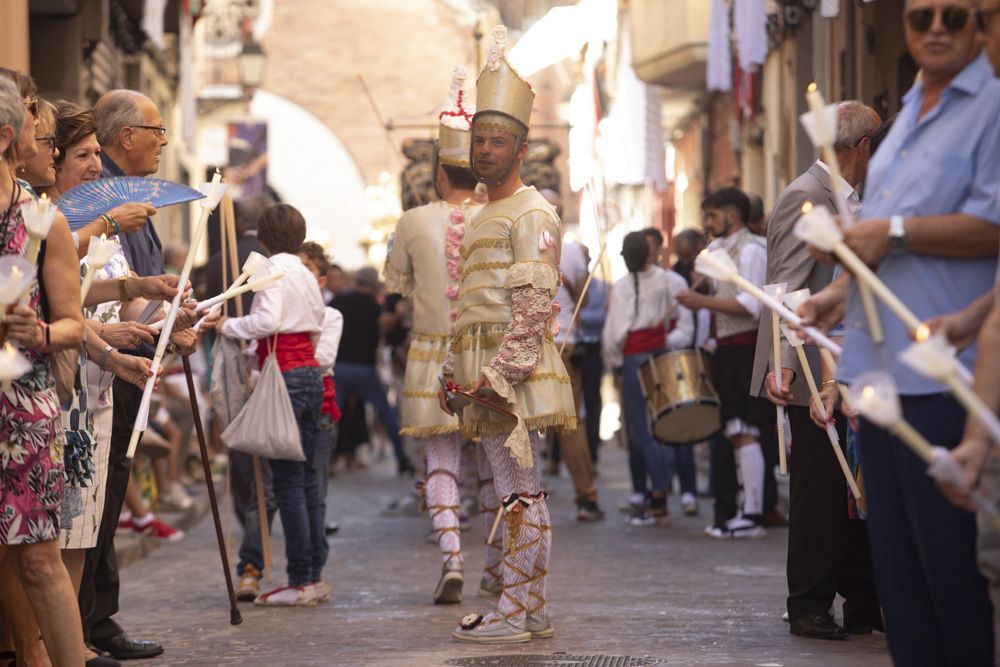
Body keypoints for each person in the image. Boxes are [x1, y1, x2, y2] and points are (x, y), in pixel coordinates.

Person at [797, 1, 1000, 662]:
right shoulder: (908, 111)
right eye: (920, 18)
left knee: (954, 584)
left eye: (954, 15)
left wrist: (897, 233)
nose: (936, 28)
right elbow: (879, 245)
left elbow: (992, 227)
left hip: (948, 374)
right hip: (876, 376)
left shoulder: (991, 107)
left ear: (979, 25)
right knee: (901, 590)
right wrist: (837, 293)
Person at [441, 25, 575, 644]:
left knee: (520, 492)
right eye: (479, 140)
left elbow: (533, 304)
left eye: (497, 141)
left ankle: (517, 611)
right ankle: (531, 606)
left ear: (520, 147)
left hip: (508, 374)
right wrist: (456, 371)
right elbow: (469, 302)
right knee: (511, 490)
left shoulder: (532, 210)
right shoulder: (479, 212)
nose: (485, 151)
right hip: (480, 370)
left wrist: (500, 377)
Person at [750, 101, 882, 640]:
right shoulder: (807, 195)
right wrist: (782, 366)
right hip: (813, 367)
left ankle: (863, 601)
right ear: (863, 148)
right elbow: (785, 284)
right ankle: (808, 602)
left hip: (854, 363)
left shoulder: (852, 198)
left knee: (855, 494)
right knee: (820, 494)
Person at [82, 89, 198, 661]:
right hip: (95, 370)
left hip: (130, 364)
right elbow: (99, 292)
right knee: (95, 502)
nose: (163, 143)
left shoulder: (136, 200)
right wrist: (155, 315)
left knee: (113, 490)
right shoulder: (101, 202)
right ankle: (87, 624)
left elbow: (138, 293)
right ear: (126, 136)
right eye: (157, 131)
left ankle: (99, 619)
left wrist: (174, 323)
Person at [383, 67, 484, 604]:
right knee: (496, 461)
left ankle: (452, 556)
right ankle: (500, 566)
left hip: (430, 354)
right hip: (491, 355)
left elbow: (398, 284)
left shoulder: (412, 221)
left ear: (441, 175)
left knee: (441, 460)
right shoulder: (500, 216)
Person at [0, 73, 87, 667]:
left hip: (21, 406)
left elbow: (74, 323)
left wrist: (45, 332)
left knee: (37, 560)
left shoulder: (43, 221)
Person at [219, 203, 327, 606]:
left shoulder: (270, 269)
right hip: (310, 374)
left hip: (284, 375)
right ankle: (312, 576)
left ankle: (300, 580)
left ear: (263, 235)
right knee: (306, 480)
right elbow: (314, 323)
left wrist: (228, 326)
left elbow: (266, 323)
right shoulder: (304, 271)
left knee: (287, 483)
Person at [677, 187, 767, 538]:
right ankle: (742, 510)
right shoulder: (720, 250)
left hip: (746, 347)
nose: (707, 223)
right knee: (734, 428)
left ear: (732, 215)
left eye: (713, 215)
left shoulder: (751, 250)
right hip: (727, 347)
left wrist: (701, 302)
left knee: (746, 428)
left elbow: (752, 305)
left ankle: (754, 513)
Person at [603, 231, 694, 526]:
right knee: (661, 423)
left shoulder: (622, 288)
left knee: (642, 431)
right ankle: (660, 493)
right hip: (661, 357)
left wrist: (614, 362)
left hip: (634, 359)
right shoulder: (667, 280)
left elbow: (615, 334)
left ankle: (658, 499)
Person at [331, 266, 410, 474]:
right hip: (365, 370)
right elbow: (385, 327)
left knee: (330, 417)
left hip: (340, 368)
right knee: (386, 413)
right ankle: (402, 458)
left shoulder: (337, 301)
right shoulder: (375, 307)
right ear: (374, 284)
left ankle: (320, 458)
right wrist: (399, 315)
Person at [642, 227, 698, 516]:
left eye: (652, 248)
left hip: (672, 359)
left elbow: (687, 326)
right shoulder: (634, 283)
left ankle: (688, 490)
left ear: (660, 251)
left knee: (680, 425)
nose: (648, 254)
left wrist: (664, 341)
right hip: (643, 362)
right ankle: (655, 490)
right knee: (649, 430)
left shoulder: (675, 282)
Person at [576, 243, 606, 464]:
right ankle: (557, 458)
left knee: (593, 402)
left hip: (592, 349)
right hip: (570, 350)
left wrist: (577, 317)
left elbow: (601, 317)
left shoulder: (599, 287)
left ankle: (592, 455)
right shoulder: (562, 283)